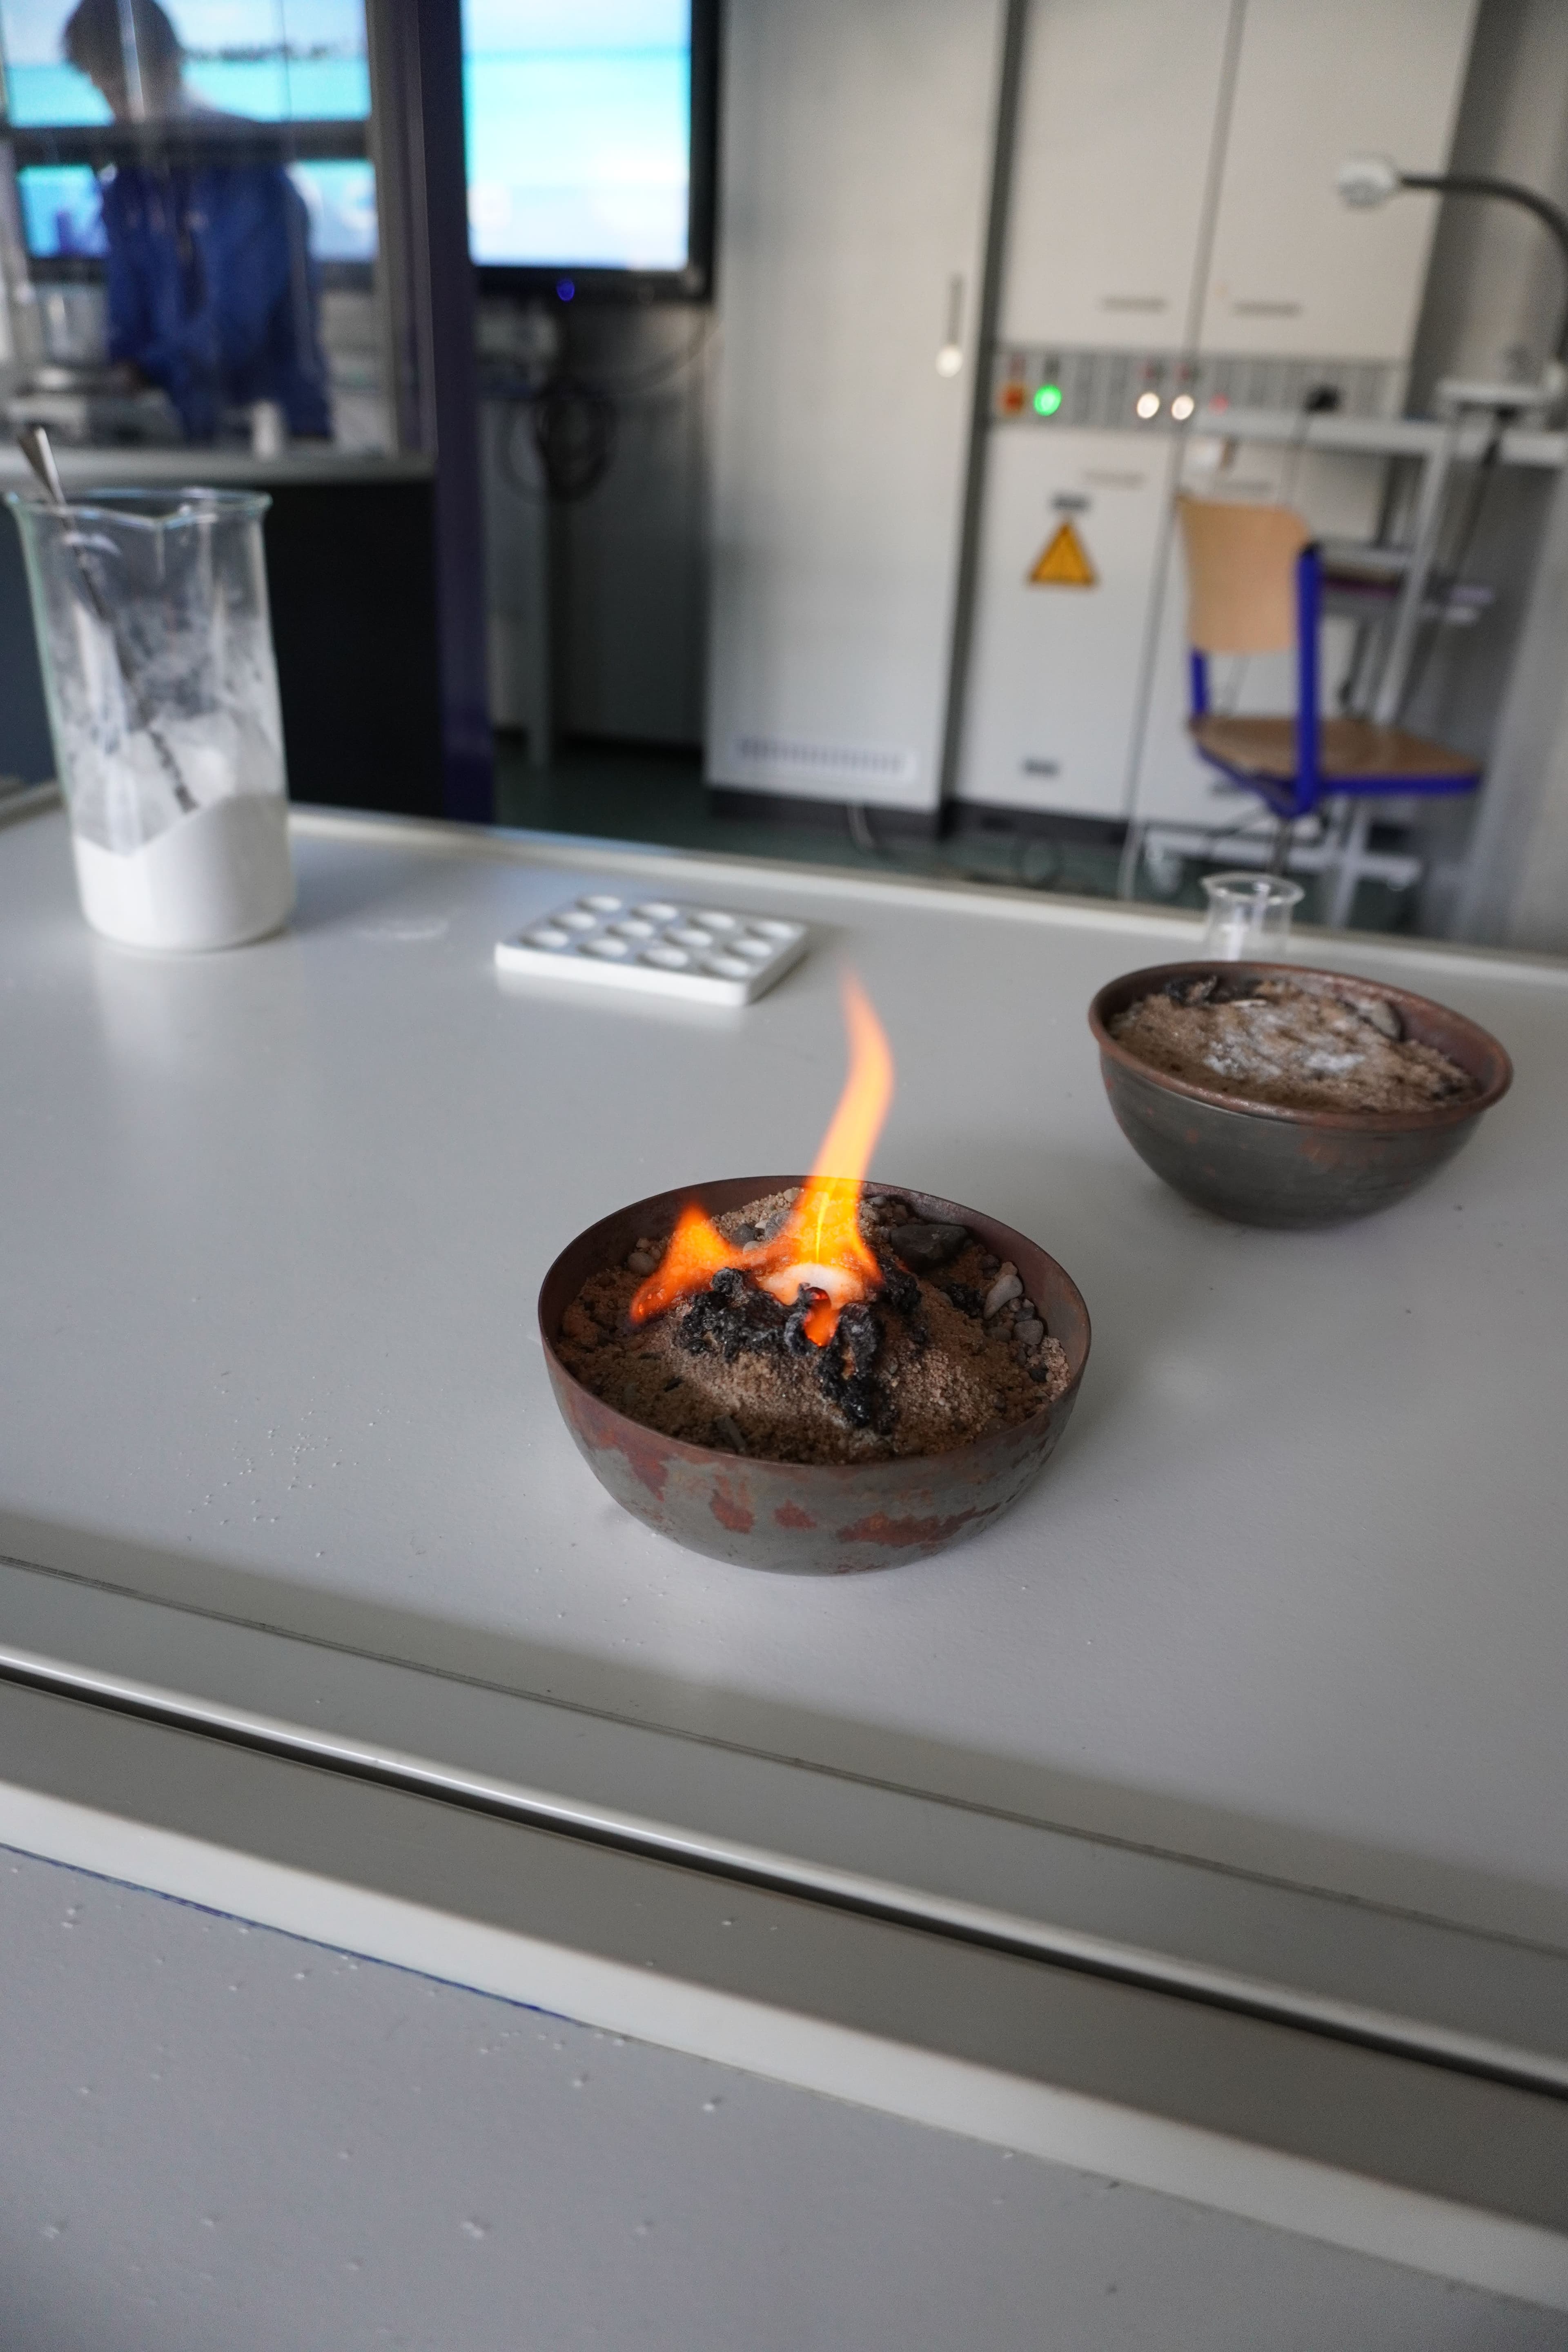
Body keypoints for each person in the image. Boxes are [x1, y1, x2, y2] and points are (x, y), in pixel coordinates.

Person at [61, 0, 332, 442]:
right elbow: (125, 315)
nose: (117, 113)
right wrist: (121, 372)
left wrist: (146, 371)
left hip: (277, 434)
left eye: (124, 90)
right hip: (182, 436)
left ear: (170, 67)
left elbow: (236, 326)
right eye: (105, 93)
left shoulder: (244, 164)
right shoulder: (128, 185)